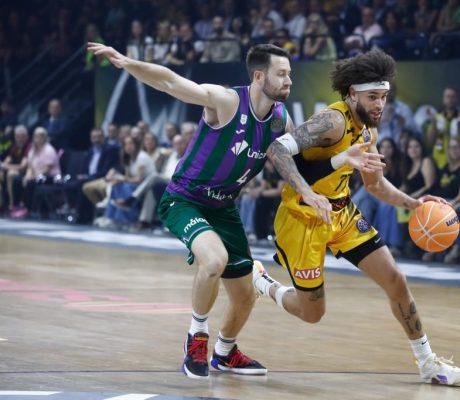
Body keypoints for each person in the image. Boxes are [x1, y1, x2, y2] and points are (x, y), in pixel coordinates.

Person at [88, 41, 383, 378]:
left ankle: (225, 352)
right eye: (281, 74)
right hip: (185, 199)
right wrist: (127, 62)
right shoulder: (227, 101)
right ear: (259, 76)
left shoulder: (280, 120)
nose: (289, 80)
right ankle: (197, 338)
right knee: (214, 260)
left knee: (245, 295)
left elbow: (299, 166)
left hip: (223, 207)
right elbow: (170, 81)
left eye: (290, 74)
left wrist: (341, 160)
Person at [255, 49, 460, 386]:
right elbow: (277, 149)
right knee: (313, 313)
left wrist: (414, 203)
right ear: (352, 93)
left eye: (383, 97)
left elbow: (375, 185)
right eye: (373, 97)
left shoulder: (369, 131)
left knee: (396, 280)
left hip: (341, 214)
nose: (380, 104)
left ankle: (428, 363)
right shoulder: (332, 121)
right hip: (302, 218)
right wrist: (310, 192)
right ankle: (263, 283)